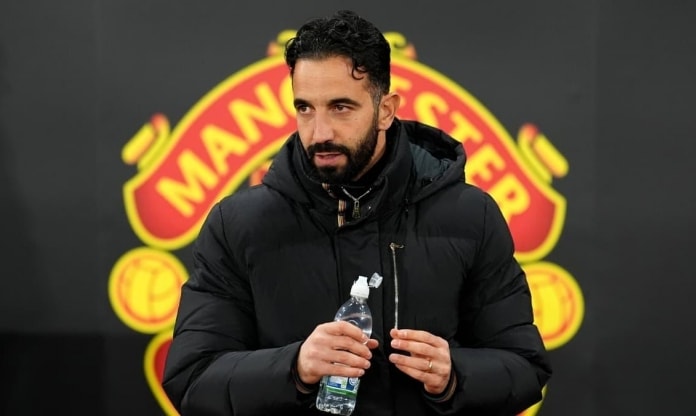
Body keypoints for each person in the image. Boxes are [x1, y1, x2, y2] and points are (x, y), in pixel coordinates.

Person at [162, 9, 551, 416]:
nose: (320, 132)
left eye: (341, 107)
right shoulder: (237, 225)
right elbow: (192, 380)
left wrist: (454, 376)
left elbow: (524, 367)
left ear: (386, 110)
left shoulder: (471, 216)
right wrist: (294, 367)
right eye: (305, 108)